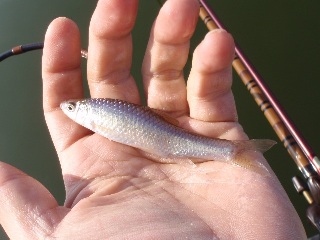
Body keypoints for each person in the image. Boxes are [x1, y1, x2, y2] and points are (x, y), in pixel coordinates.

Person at [0, 0, 306, 239]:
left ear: (84, 108)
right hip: (165, 139)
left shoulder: (92, 112)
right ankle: (230, 152)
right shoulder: (93, 114)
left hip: (169, 139)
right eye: (70, 108)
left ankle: (231, 153)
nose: (70, 110)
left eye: (73, 107)